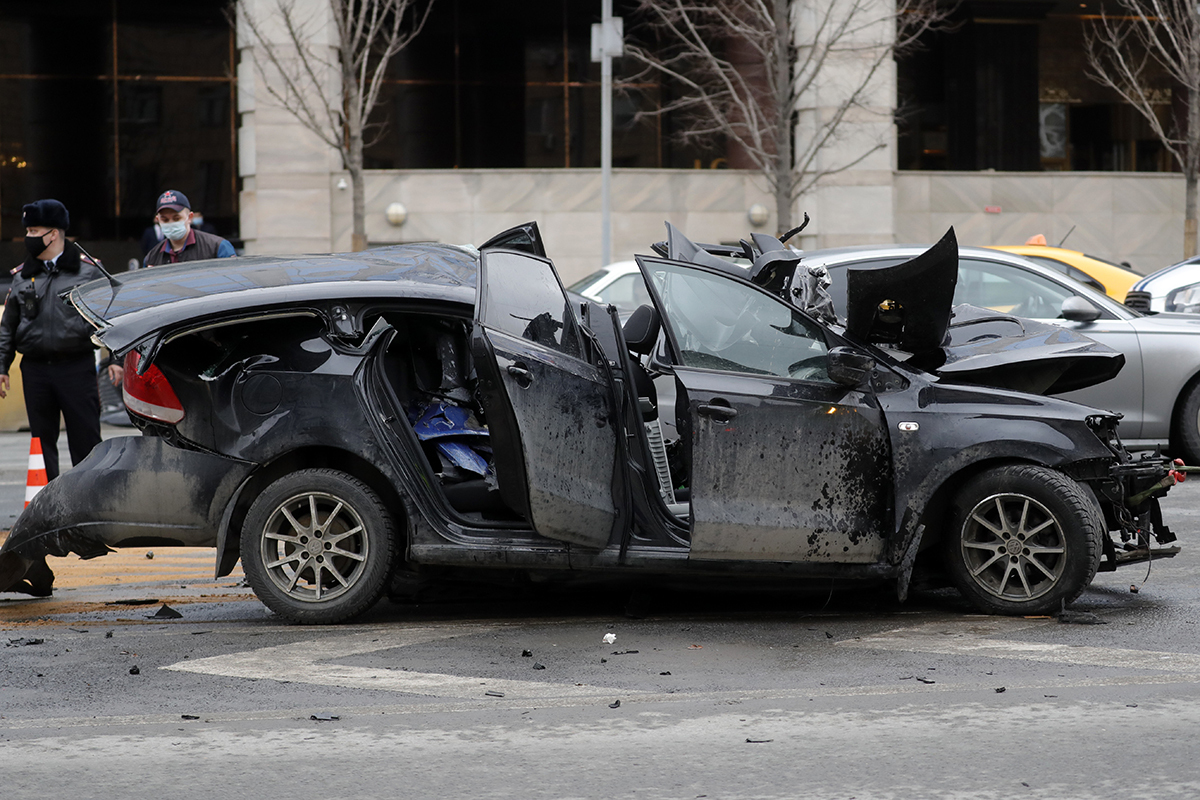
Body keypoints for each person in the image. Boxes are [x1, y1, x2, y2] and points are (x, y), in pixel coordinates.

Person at [0, 199, 118, 480]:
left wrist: (116, 359)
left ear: (53, 233)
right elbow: (9, 326)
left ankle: (89, 503)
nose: (28, 238)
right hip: (36, 370)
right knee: (41, 444)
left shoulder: (87, 271)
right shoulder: (23, 275)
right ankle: (46, 506)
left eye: (33, 231)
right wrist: (2, 366)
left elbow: (110, 318)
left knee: (86, 440)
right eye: (27, 231)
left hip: (76, 367)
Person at [143, 189, 235, 266]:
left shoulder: (217, 247)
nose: (171, 223)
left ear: (190, 217)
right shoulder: (152, 258)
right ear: (158, 220)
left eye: (176, 218)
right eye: (165, 220)